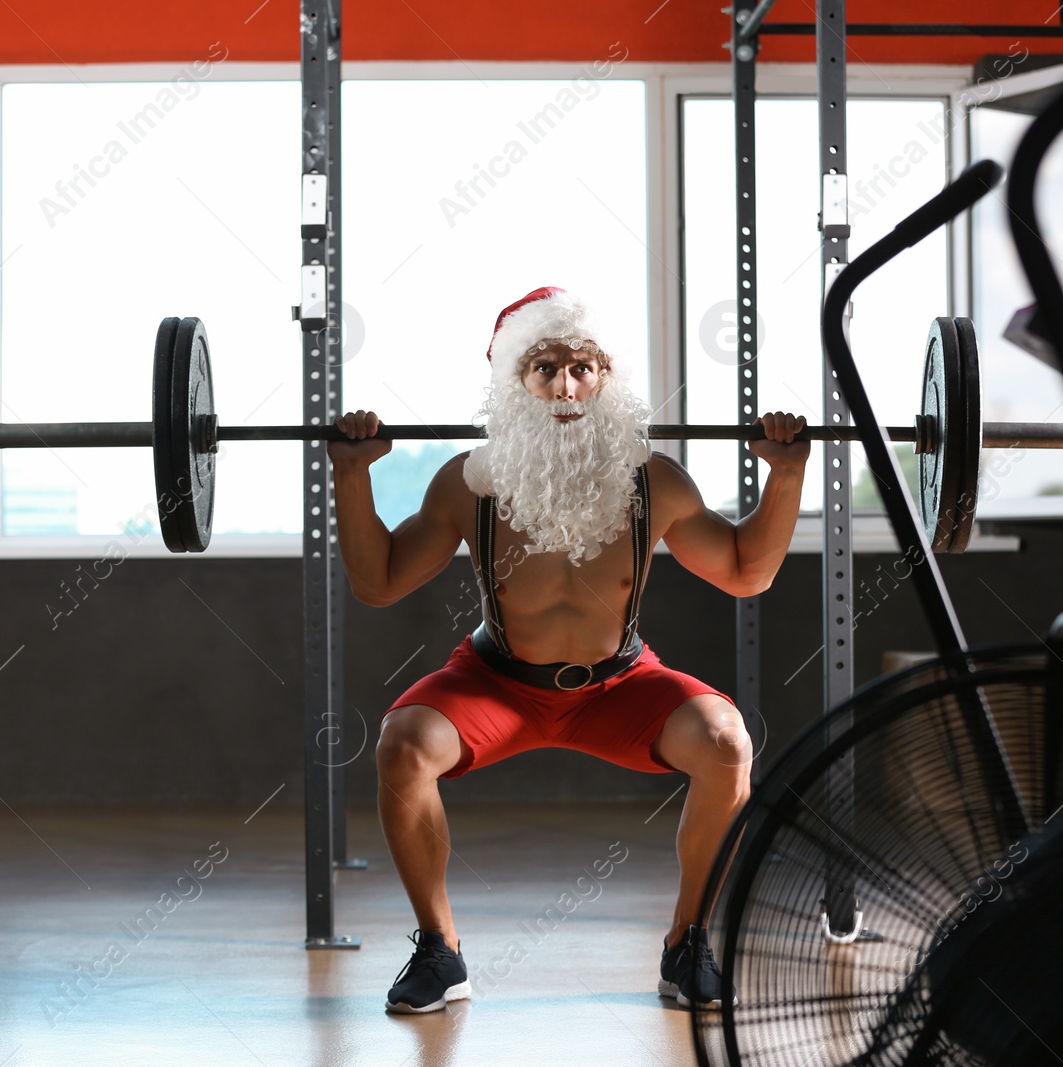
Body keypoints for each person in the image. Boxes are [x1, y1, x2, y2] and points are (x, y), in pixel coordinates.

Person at [329, 286, 809, 1014]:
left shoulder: (654, 481)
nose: (566, 386)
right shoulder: (469, 483)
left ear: (607, 379)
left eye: (584, 366)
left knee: (725, 740)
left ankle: (688, 941)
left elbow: (747, 572)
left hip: (619, 686)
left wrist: (788, 473)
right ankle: (440, 948)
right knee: (403, 743)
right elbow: (379, 582)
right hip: (498, 682)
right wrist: (350, 474)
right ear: (512, 383)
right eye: (545, 366)